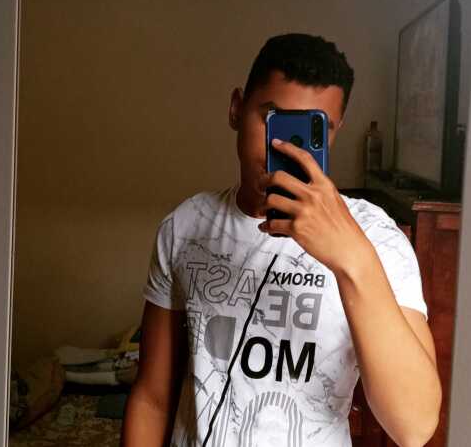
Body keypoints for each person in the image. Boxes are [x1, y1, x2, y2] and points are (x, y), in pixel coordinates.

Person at [120, 33, 442, 447]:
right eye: (273, 119)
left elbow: (414, 427)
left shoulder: (376, 237)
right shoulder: (186, 225)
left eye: (313, 130)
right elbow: (152, 397)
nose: (285, 149)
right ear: (236, 109)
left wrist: (351, 258)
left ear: (335, 132)